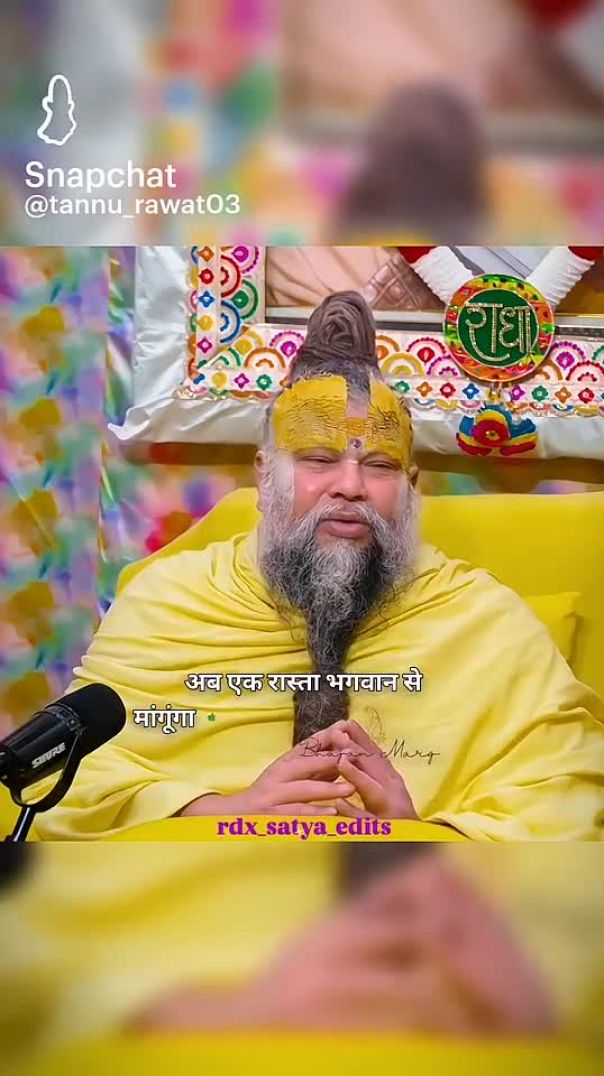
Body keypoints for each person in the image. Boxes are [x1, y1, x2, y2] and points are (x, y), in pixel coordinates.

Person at [34, 291, 603, 840]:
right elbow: (65, 776)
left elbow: (567, 796)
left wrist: (420, 837)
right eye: (319, 459)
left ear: (411, 488)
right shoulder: (171, 599)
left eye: (379, 465)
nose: (350, 486)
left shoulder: (480, 616)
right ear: (264, 477)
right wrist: (222, 813)